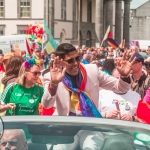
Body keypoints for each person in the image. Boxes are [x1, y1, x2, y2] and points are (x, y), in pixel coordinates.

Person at [41, 43, 135, 150]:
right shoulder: (51, 76)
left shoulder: (92, 71)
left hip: (90, 125)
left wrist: (125, 76)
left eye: (78, 58)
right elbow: (47, 105)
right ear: (61, 61)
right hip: (65, 127)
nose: (76, 63)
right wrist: (53, 84)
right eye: (70, 61)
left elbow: (120, 88)